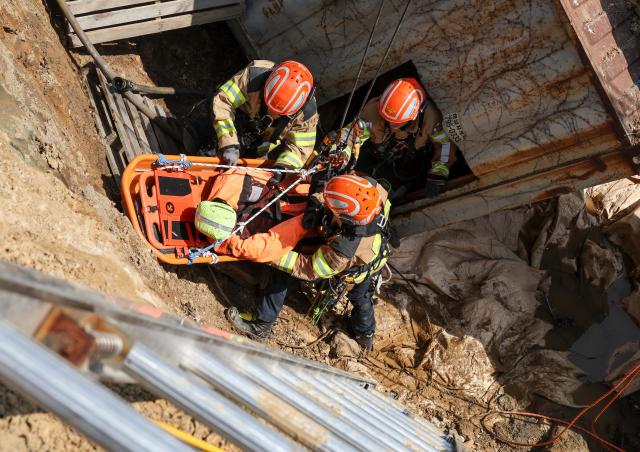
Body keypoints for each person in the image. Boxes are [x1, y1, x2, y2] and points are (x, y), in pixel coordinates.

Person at [201, 174, 391, 351]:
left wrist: (272, 254)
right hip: (373, 255)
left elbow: (308, 268)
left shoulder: (344, 248)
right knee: (362, 298)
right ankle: (366, 335)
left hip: (351, 272)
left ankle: (261, 325)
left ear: (346, 219)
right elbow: (328, 184)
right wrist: (315, 204)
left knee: (286, 276)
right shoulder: (371, 190)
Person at [211, 60, 319, 184]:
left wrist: (282, 169)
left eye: (279, 113)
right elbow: (223, 102)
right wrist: (229, 143)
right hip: (234, 122)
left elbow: (300, 149)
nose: (271, 112)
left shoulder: (307, 114)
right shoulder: (254, 76)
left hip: (262, 142)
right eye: (269, 106)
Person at [355, 78, 458, 197]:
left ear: (413, 116)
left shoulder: (431, 119)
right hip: (377, 154)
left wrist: (438, 173)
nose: (393, 127)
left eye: (396, 123)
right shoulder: (374, 109)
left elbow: (445, 146)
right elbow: (355, 133)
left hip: (412, 163)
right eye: (387, 120)